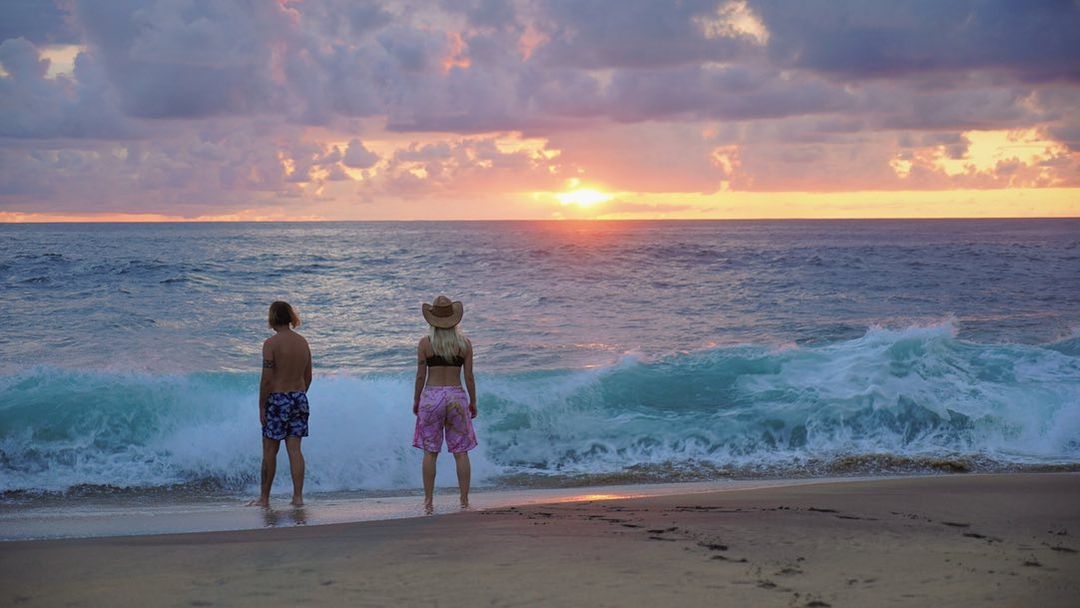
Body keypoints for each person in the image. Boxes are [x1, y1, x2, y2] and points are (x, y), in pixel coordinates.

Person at [413, 295, 478, 512]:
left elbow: (420, 376)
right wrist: (473, 401)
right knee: (461, 452)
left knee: (430, 452)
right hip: (456, 396)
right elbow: (469, 376)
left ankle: (428, 501)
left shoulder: (425, 343)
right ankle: (464, 500)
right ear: (455, 319)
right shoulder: (464, 344)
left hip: (431, 396)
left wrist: (416, 399)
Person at [248, 300, 312, 507]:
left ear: (273, 318)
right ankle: (298, 497)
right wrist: (298, 396)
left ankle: (264, 498)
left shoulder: (271, 344)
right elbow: (308, 376)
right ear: (291, 317)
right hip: (299, 397)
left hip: (277, 399)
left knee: (269, 451)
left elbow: (267, 379)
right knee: (295, 450)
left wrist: (262, 406)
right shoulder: (303, 342)